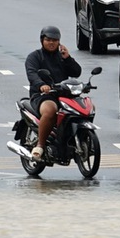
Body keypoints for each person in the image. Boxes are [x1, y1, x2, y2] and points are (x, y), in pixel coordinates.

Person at [25, 24, 84, 160]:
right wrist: (42, 85)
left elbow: (76, 72)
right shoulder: (35, 57)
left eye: (55, 40)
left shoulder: (61, 57)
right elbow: (32, 74)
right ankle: (40, 145)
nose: (51, 43)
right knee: (50, 110)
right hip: (42, 96)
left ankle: (77, 138)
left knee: (83, 107)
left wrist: (68, 58)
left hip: (63, 95)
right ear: (42, 41)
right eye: (48, 40)